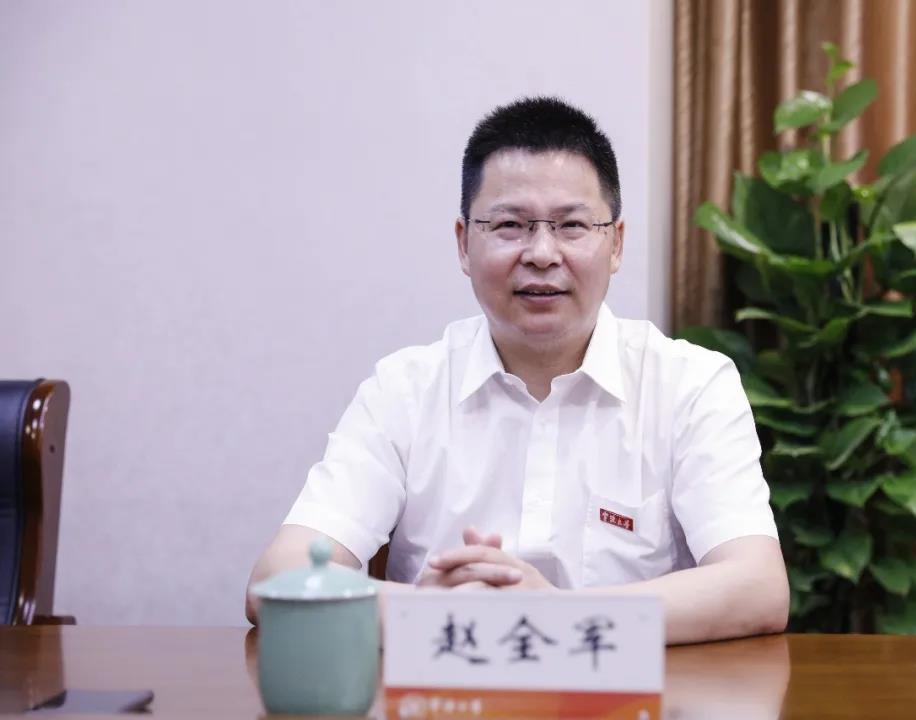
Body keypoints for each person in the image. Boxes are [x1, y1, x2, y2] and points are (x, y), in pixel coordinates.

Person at [245, 97, 789, 644]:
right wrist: (431, 613)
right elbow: (278, 582)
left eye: (572, 225)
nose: (542, 253)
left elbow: (758, 587)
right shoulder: (404, 390)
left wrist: (551, 616)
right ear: (464, 243)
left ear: (616, 243)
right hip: (445, 687)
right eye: (510, 225)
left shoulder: (690, 386)